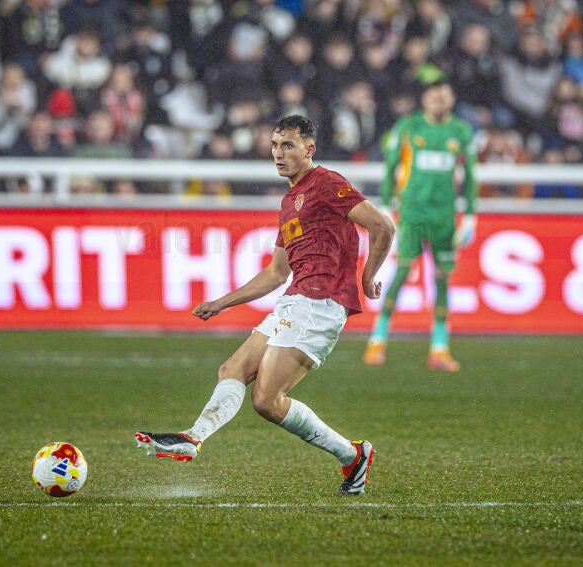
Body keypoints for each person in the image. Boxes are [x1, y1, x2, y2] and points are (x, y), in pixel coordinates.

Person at [135, 115, 395, 496]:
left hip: (321, 303)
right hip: (294, 300)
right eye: (275, 145)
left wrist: (368, 277)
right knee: (233, 369)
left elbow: (383, 227)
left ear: (309, 150)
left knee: (267, 400)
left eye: (288, 145)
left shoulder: (326, 183)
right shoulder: (289, 201)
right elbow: (276, 273)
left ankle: (353, 456)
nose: (278, 153)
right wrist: (222, 303)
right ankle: (193, 437)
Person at [363, 80, 478, 372]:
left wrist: (470, 215)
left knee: (442, 278)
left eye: (445, 95)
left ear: (452, 98)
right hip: (413, 213)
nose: (439, 100)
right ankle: (377, 340)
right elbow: (390, 168)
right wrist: (387, 207)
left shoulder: (461, 131)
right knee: (402, 272)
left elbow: (471, 176)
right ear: (425, 99)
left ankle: (439, 348)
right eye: (434, 95)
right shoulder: (408, 126)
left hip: (444, 216)